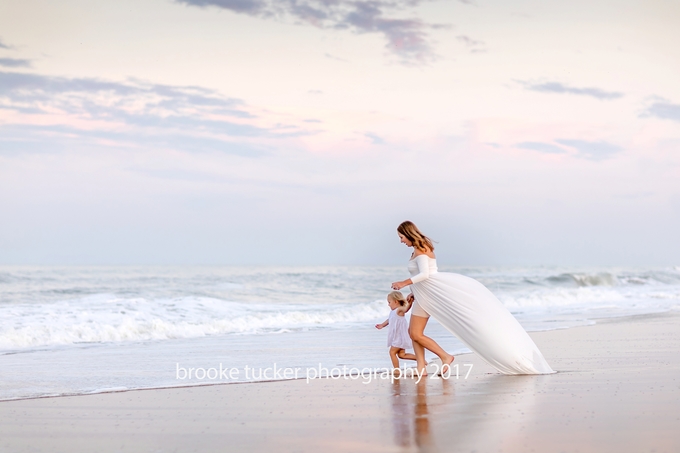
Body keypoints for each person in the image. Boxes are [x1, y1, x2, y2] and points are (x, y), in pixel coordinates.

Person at [391, 220, 554, 375]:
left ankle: (445, 357)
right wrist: (413, 290)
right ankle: (421, 368)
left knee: (416, 334)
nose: (400, 241)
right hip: (422, 295)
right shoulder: (416, 250)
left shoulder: (422, 249)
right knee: (414, 333)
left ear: (408, 233)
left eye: (401, 237)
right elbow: (420, 275)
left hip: (430, 296)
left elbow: (426, 274)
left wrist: (404, 283)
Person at [375, 291, 417, 369]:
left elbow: (406, 309)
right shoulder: (393, 312)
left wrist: (410, 303)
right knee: (402, 355)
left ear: (396, 301)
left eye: (389, 302)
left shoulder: (399, 310)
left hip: (399, 338)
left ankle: (397, 370)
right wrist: (382, 325)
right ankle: (420, 360)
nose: (388, 304)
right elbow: (389, 320)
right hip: (398, 337)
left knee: (392, 352)